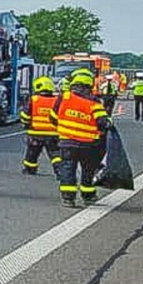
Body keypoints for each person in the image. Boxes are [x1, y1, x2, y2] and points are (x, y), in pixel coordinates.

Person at [50, 68, 113, 208]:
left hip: (67, 142)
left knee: (67, 168)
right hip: (88, 145)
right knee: (88, 170)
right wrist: (109, 123)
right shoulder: (94, 102)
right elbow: (103, 122)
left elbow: (53, 118)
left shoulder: (64, 97)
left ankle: (68, 198)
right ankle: (88, 196)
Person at [19, 76, 62, 176]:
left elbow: (25, 115)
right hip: (53, 134)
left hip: (35, 133)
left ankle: (30, 169)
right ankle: (59, 171)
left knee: (32, 153)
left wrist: (25, 125)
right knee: (55, 154)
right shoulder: (57, 100)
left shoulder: (34, 99)